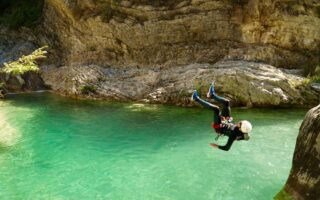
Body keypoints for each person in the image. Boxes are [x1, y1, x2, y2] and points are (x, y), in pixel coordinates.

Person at [191, 83, 252, 151]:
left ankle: (196, 99)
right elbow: (247, 138)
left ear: (241, 128)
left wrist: (216, 146)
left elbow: (227, 148)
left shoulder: (233, 136)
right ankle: (212, 95)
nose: (240, 121)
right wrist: (238, 138)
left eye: (240, 123)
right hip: (227, 122)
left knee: (216, 109)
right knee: (226, 102)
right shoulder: (245, 132)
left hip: (220, 127)